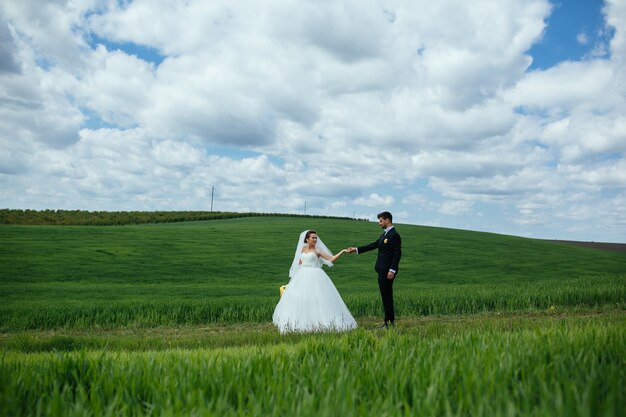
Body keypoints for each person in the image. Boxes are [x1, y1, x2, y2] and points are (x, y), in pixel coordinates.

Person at [272, 230, 357, 334]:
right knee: (302, 298)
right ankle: (300, 322)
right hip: (302, 275)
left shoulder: (318, 251)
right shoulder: (302, 249)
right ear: (307, 239)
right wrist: (293, 280)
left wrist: (343, 251)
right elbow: (299, 264)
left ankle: (320, 322)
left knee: (318, 298)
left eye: (316, 238)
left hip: (316, 276)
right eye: (313, 238)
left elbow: (331, 259)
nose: (315, 240)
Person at [348, 211, 402, 329]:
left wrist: (392, 270)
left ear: (387, 220)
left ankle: (388, 323)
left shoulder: (394, 235)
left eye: (381, 220)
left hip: (387, 272)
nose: (379, 223)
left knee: (387, 296)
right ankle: (388, 321)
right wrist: (356, 249)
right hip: (381, 271)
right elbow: (373, 245)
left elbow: (397, 254)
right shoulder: (384, 235)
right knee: (385, 296)